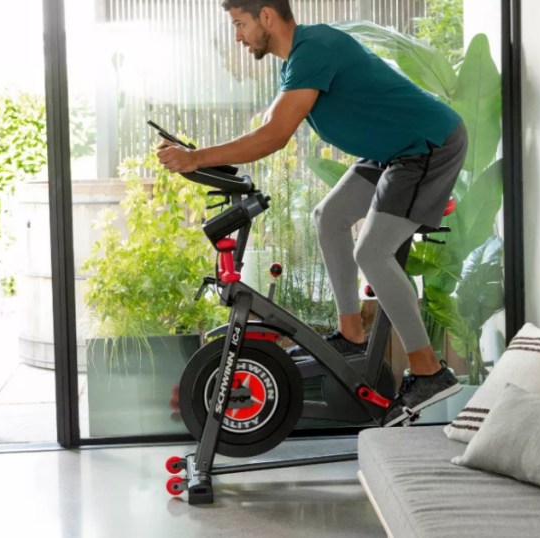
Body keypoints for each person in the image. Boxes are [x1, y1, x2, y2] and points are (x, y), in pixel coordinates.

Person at [156, 0, 468, 426]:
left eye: (239, 24)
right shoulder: (294, 65)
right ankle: (351, 333)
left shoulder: (315, 47)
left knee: (373, 253)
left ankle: (430, 370)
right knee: (330, 216)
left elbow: (274, 136)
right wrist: (198, 157)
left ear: (266, 16)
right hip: (390, 151)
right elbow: (265, 127)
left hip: (426, 145)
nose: (237, 36)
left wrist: (195, 158)